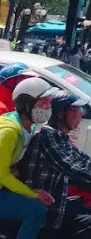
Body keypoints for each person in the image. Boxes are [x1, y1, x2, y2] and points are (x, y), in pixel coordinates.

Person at [22, 89, 91, 239]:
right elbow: (70, 166)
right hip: (45, 205)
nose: (80, 114)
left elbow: (84, 160)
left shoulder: (61, 137)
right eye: (76, 109)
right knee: (90, 223)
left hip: (58, 200)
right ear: (60, 114)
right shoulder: (46, 136)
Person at [0, 77, 55, 239]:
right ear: (26, 105)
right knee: (36, 210)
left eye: (49, 102)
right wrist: (33, 194)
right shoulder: (9, 132)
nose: (48, 107)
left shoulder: (29, 127)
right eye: (43, 102)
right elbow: (2, 175)